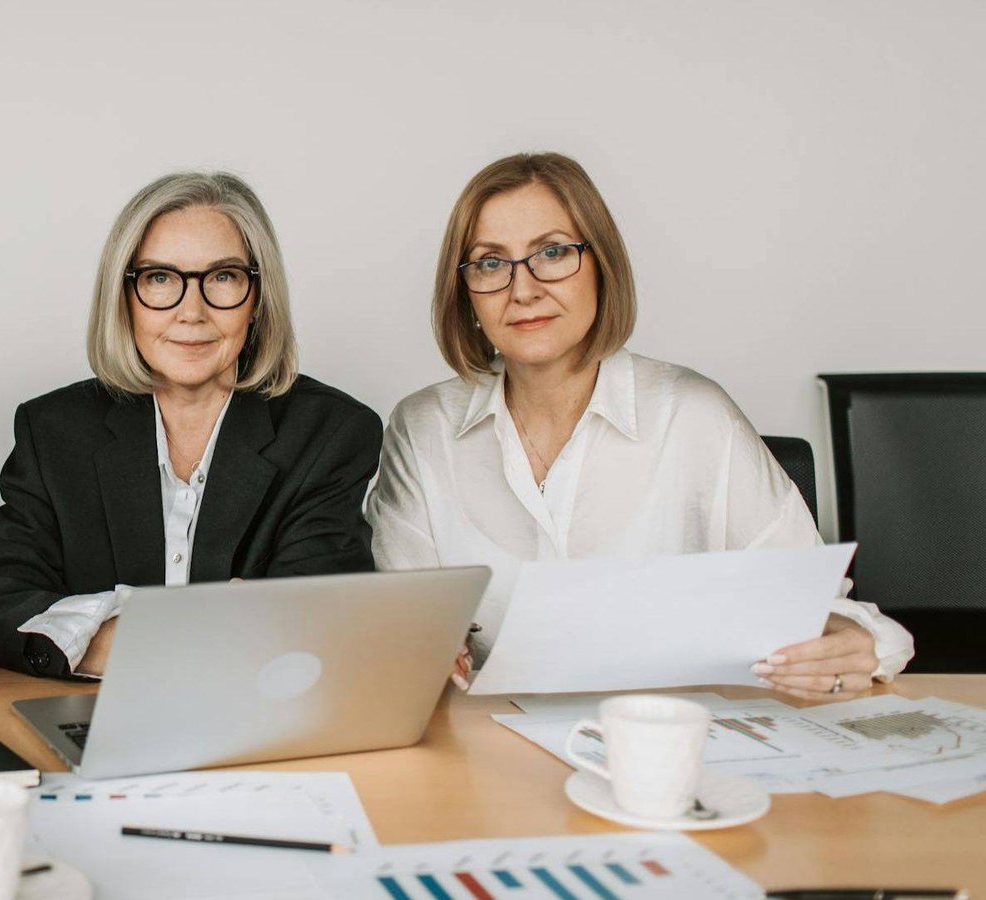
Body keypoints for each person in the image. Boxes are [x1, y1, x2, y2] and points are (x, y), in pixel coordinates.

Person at [367, 151, 913, 700]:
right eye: (490, 263)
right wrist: (424, 648)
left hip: (674, 740)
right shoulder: (423, 429)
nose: (523, 289)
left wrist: (850, 641)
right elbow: (401, 621)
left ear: (602, 263)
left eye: (552, 253)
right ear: (464, 291)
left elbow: (824, 611)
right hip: (490, 749)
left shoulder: (694, 414)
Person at [0, 171, 381, 679]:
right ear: (125, 297)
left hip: (256, 721)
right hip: (86, 720)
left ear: (258, 297)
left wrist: (89, 627)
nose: (192, 311)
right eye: (160, 278)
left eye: (223, 277)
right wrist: (159, 639)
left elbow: (316, 619)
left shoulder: (330, 433)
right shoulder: (54, 430)